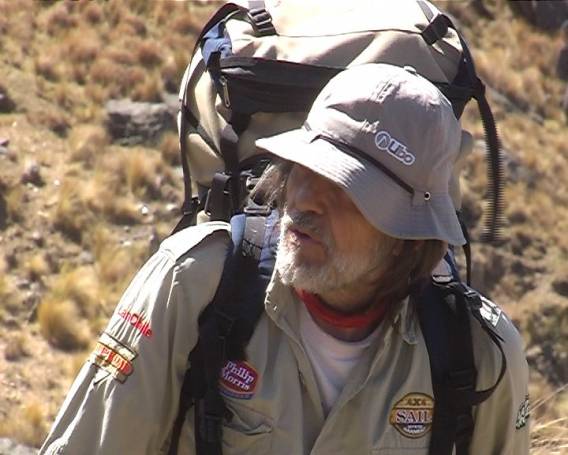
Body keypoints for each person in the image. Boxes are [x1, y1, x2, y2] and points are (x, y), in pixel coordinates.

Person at [40, 64, 529, 455]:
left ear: (409, 235)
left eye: (347, 187)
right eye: (303, 168)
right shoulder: (194, 284)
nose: (306, 200)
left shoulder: (478, 354)